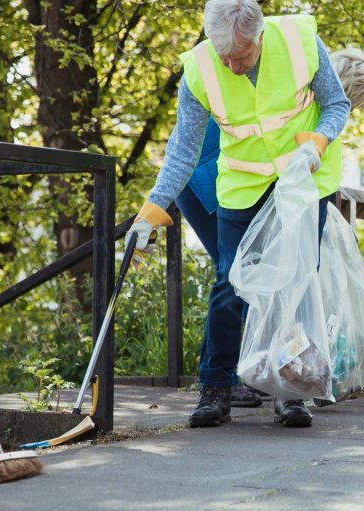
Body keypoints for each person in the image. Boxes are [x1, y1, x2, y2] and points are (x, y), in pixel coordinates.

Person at [125, 0, 351, 429]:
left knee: (298, 281)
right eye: (223, 55)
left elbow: (337, 104)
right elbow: (184, 149)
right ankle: (215, 386)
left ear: (260, 35)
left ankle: (290, 391)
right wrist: (152, 210)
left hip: (304, 178)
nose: (231, 65)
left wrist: (317, 142)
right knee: (231, 278)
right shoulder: (199, 69)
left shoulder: (302, 41)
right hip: (242, 183)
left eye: (241, 56)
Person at [174, 48, 364, 410]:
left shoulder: (304, 100)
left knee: (256, 280)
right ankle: (230, 377)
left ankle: (272, 374)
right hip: (208, 185)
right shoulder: (293, 101)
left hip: (229, 185)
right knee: (238, 277)